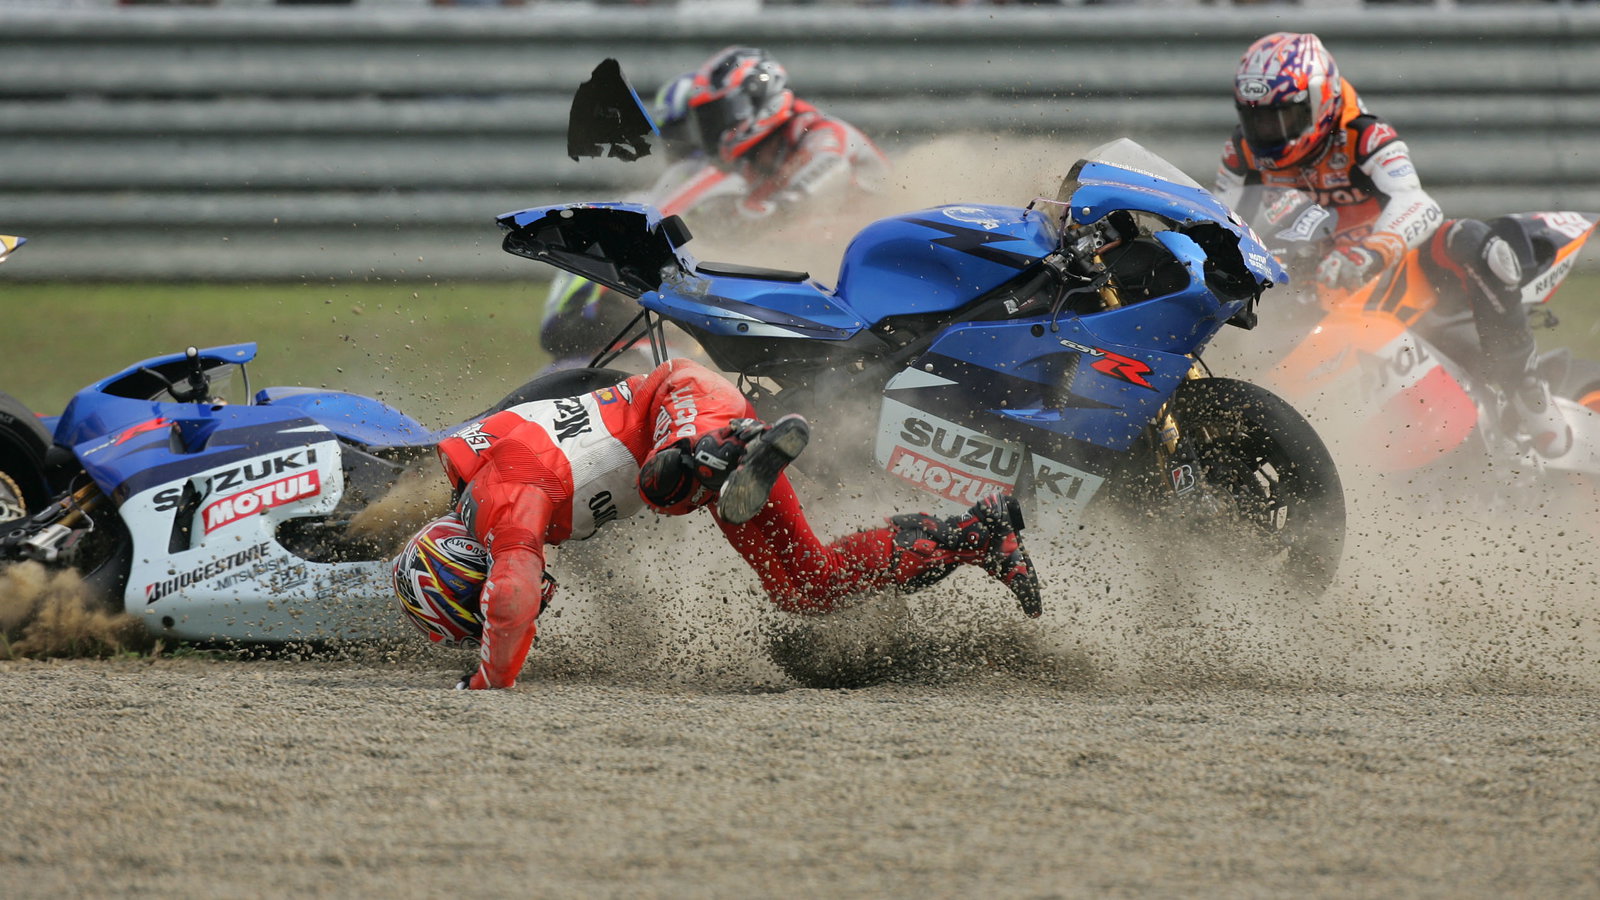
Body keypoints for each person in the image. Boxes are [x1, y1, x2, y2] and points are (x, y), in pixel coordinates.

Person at [392, 358, 1041, 690]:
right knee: (805, 587)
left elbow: (511, 593)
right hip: (704, 461)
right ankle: (976, 534)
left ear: (466, 570)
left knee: (664, 485)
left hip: (687, 408)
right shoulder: (485, 486)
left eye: (474, 608)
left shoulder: (506, 505)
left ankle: (724, 449)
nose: (515, 610)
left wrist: (487, 680)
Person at [1215, 31, 1572, 458]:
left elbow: (1417, 201)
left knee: (1474, 242)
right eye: (1256, 118)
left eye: (1283, 118)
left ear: (1320, 100)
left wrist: (1369, 252)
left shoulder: (1362, 133)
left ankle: (1528, 393)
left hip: (1392, 266)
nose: (1267, 132)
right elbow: (1222, 222)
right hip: (1315, 277)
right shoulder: (1242, 152)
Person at [538, 48, 891, 371]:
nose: (716, 128)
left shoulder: (820, 132)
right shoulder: (758, 166)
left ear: (759, 98)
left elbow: (807, 192)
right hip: (837, 280)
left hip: (870, 272)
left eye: (721, 113)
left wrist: (739, 216)